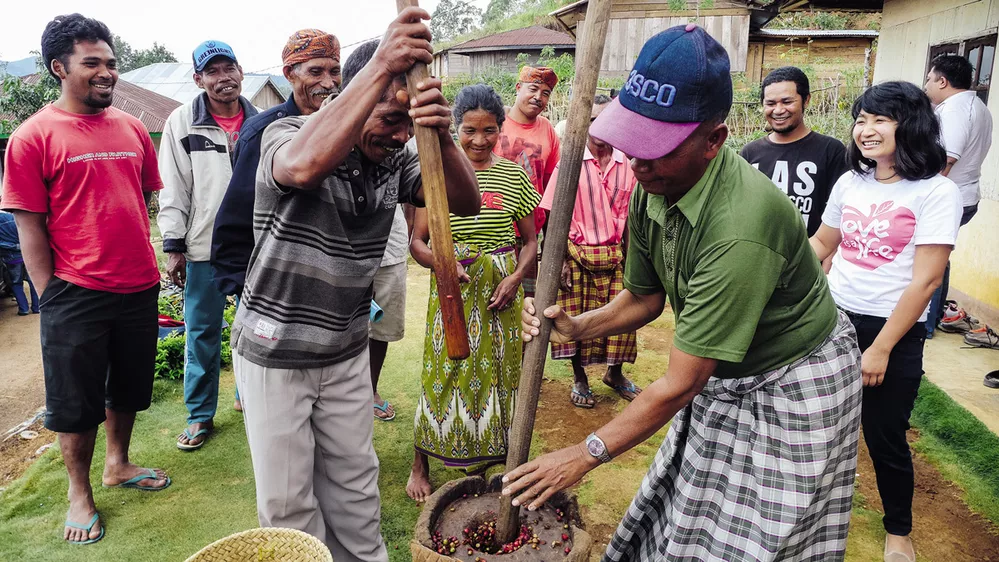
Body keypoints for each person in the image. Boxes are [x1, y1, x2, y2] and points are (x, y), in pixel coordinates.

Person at [506, 24, 863, 561]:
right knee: (688, 514)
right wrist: (581, 326)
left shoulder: (740, 228)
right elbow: (644, 299)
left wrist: (585, 452)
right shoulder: (655, 187)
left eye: (658, 148)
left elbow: (680, 383)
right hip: (724, 372)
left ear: (714, 141)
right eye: (633, 143)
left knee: (760, 540)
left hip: (792, 379)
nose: (638, 163)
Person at [230, 9, 480, 560]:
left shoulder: (398, 154)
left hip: (345, 347)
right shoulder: (286, 132)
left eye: (405, 124)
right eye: (389, 118)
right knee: (290, 504)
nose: (396, 135)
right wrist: (383, 66)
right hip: (277, 352)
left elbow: (465, 203)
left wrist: (439, 135)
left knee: (356, 490)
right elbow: (300, 168)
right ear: (360, 98)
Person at [1, 14, 171, 546]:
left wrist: (146, 259)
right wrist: (51, 295)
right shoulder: (32, 137)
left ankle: (118, 463)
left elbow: (142, 199)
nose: (107, 73)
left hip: (138, 285)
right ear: (59, 68)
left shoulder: (132, 127)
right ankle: (80, 493)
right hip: (75, 291)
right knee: (74, 401)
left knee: (128, 387)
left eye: (112, 63)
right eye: (92, 63)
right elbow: (29, 226)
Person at [810, 81, 961, 562]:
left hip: (891, 331)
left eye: (879, 119)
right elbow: (821, 246)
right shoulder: (851, 182)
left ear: (909, 124)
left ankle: (898, 531)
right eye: (860, 119)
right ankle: (809, 512)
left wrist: (880, 349)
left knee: (884, 434)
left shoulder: (937, 191)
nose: (865, 130)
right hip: (832, 322)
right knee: (817, 425)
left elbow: (926, 281)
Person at [406, 83, 539, 501]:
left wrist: (516, 278)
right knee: (442, 371)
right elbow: (417, 242)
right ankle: (420, 464)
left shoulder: (515, 174)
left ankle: (492, 462)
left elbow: (531, 241)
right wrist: (444, 268)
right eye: (468, 130)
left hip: (500, 290)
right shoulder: (437, 171)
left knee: (501, 373)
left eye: (489, 130)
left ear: (501, 128)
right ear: (454, 130)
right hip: (452, 285)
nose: (479, 140)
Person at [210, 29, 341, 414]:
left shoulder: (348, 126)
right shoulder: (264, 130)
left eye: (335, 71)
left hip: (329, 283)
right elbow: (237, 214)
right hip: (274, 286)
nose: (328, 82)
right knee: (279, 395)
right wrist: (241, 284)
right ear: (290, 73)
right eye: (315, 71)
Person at [158, 39, 258, 450]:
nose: (224, 77)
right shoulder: (182, 122)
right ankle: (200, 416)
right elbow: (174, 189)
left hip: (260, 244)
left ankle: (249, 396)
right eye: (212, 71)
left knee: (258, 327)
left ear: (240, 70)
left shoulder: (264, 119)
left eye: (229, 67)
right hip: (205, 249)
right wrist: (173, 244)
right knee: (202, 332)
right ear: (199, 79)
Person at [538, 95, 640, 408]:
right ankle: (580, 378)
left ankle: (615, 374)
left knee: (623, 321)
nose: (600, 126)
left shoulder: (628, 164)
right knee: (576, 321)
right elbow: (552, 215)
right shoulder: (570, 163)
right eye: (593, 119)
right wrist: (560, 261)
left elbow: (632, 217)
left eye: (606, 118)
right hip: (577, 255)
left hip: (614, 256)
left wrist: (634, 259)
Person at [922, 54, 993, 338]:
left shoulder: (954, 109)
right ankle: (935, 317)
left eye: (929, 79)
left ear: (943, 81)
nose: (926, 85)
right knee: (939, 257)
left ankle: (925, 324)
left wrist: (925, 197)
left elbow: (947, 159)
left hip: (950, 198)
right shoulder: (977, 106)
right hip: (964, 195)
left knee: (929, 259)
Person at [740, 66, 848, 238]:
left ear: (806, 100)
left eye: (787, 102)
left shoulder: (831, 150)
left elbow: (843, 212)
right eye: (771, 103)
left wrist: (826, 262)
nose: (778, 110)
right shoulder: (750, 153)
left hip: (810, 257)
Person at [493, 65, 561, 296]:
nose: (538, 97)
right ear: (518, 87)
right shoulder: (495, 124)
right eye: (533, 89)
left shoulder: (548, 130)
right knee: (490, 298)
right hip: (493, 230)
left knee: (526, 304)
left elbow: (552, 187)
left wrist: (551, 240)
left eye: (545, 93)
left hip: (529, 235)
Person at [0, 211, 40, 315]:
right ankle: (37, 308)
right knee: (32, 281)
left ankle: (24, 309)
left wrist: (13, 247)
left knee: (16, 283)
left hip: (11, 259)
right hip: (27, 254)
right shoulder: (11, 217)